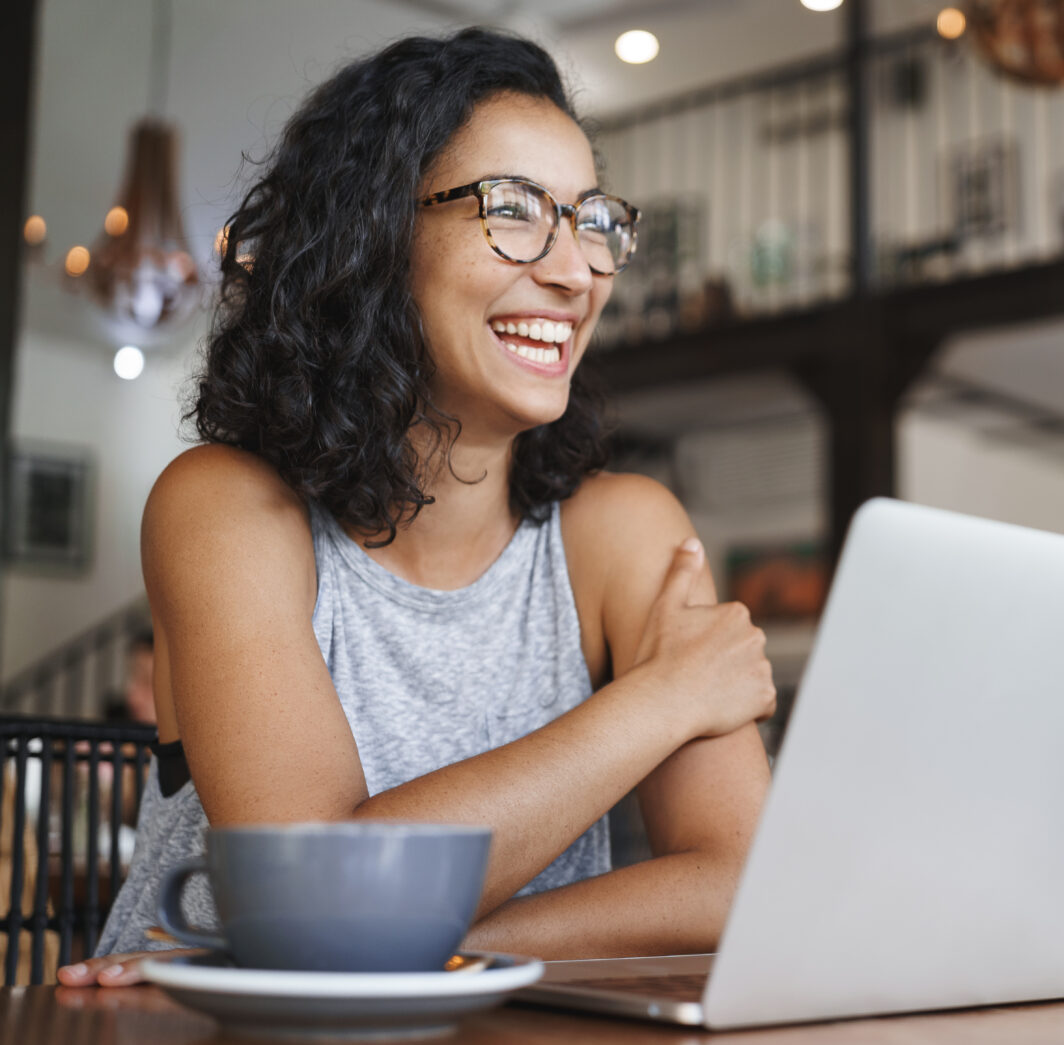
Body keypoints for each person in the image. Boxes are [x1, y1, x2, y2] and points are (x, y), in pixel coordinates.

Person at [60, 27, 775, 987]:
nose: (575, 272)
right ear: (377, 233)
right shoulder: (225, 508)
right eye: (514, 210)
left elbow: (738, 881)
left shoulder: (625, 532)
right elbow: (318, 892)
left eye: (591, 218)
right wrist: (662, 700)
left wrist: (437, 950)